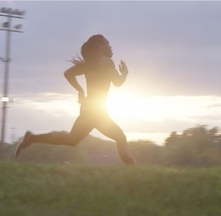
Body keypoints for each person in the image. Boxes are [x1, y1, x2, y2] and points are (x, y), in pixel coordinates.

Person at [15, 34, 135, 165]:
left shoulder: (90, 63)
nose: (111, 47)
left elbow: (68, 74)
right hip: (97, 111)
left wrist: (80, 90)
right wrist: (125, 74)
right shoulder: (106, 61)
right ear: (101, 46)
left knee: (71, 140)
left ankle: (31, 138)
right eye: (108, 44)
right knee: (120, 137)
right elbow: (117, 82)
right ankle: (133, 171)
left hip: (90, 108)